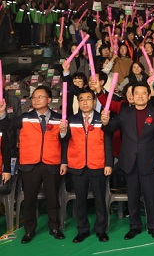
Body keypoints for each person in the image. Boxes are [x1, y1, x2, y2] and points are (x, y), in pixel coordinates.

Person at [101, 82, 154, 240]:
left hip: (150, 162)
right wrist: (105, 122)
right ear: (132, 96)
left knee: (151, 197)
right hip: (129, 162)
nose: (140, 96)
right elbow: (110, 129)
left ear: (149, 95)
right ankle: (135, 226)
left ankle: (153, 226)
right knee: (133, 196)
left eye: (143, 93)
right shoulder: (125, 113)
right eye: (136, 93)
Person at [1, 86, 67, 243]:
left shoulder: (60, 119)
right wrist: (2, 113)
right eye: (34, 97)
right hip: (29, 165)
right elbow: (5, 127)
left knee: (53, 198)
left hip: (52, 163)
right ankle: (29, 230)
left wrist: (64, 159)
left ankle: (54, 227)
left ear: (49, 100)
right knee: (29, 200)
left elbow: (65, 142)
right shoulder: (25, 117)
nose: (36, 100)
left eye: (40, 97)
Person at [62, 88, 112, 243]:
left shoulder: (102, 119)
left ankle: (101, 230)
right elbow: (64, 142)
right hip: (77, 165)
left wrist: (108, 163)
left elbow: (108, 143)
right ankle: (82, 230)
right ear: (78, 102)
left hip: (97, 164)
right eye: (81, 99)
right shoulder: (71, 120)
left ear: (94, 101)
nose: (85, 102)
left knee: (99, 199)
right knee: (80, 200)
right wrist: (62, 133)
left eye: (88, 99)